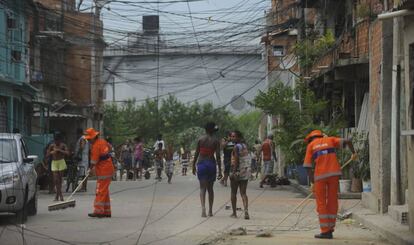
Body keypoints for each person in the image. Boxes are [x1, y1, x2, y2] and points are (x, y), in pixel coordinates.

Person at [303, 130, 357, 239]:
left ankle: (325, 231)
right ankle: (331, 228)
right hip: (334, 174)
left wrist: (313, 182)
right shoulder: (330, 139)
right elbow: (348, 141)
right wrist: (353, 153)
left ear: (310, 139)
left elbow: (307, 166)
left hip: (320, 176)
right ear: (321, 136)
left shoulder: (311, 145)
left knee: (321, 202)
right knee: (332, 200)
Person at [192, 122, 222, 217]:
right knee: (210, 189)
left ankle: (203, 209)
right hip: (211, 164)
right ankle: (210, 211)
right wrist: (220, 170)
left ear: (205, 130)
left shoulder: (200, 139)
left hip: (201, 164)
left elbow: (196, 153)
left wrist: (193, 165)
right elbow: (217, 156)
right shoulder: (216, 141)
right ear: (213, 130)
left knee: (202, 188)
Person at [84, 128, 115, 218]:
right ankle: (106, 211)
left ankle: (98, 211)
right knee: (104, 191)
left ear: (93, 137)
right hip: (108, 169)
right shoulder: (103, 142)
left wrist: (89, 170)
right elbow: (109, 148)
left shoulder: (95, 147)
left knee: (100, 191)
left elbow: (93, 161)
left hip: (104, 171)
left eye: (89, 139)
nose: (88, 140)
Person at [229, 131, 251, 219]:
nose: (232, 138)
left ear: (238, 137)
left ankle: (234, 213)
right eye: (231, 136)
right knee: (243, 193)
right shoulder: (245, 146)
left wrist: (234, 172)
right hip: (245, 171)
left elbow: (236, 160)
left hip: (237, 171)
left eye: (234, 136)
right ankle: (246, 210)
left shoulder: (235, 147)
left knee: (233, 192)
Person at [46, 132, 70, 201]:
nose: (56, 142)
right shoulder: (51, 146)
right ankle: (61, 195)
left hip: (61, 162)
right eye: (55, 140)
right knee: (56, 179)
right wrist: (52, 152)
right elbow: (47, 155)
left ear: (60, 140)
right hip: (54, 163)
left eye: (58, 140)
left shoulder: (63, 145)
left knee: (59, 180)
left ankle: (57, 196)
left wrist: (60, 150)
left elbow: (68, 153)